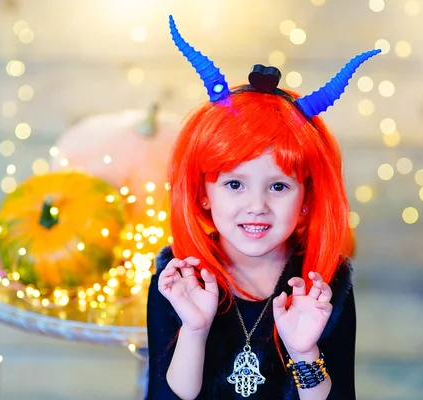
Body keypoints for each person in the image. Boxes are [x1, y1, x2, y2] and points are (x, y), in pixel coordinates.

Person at [145, 15, 380, 400]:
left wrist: (304, 352)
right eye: (234, 184)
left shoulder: (327, 282)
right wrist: (195, 329)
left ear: (306, 198)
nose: (257, 206)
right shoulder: (179, 278)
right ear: (203, 192)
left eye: (279, 186)